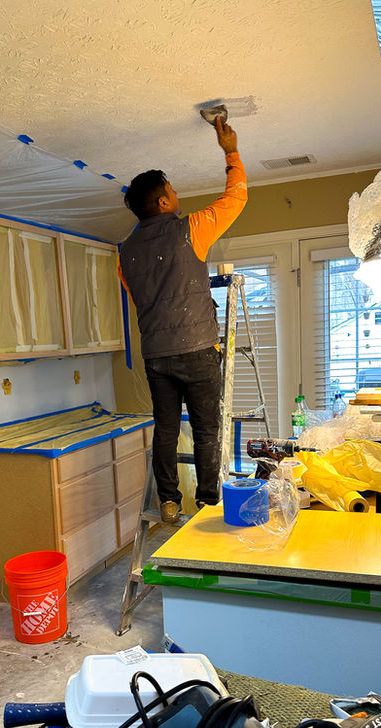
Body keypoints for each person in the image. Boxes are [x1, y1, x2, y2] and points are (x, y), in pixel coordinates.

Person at [118, 117, 247, 523]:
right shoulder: (190, 229)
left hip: (157, 355)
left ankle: (169, 501)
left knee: (166, 430)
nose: (177, 196)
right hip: (196, 350)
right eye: (173, 192)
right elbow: (236, 198)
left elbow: (140, 300)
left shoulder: (124, 252)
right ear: (162, 203)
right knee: (208, 431)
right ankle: (209, 503)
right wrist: (230, 151)